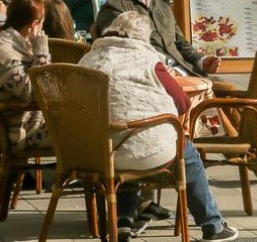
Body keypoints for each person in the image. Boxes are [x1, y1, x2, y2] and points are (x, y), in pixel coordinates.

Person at [95, 0, 257, 176]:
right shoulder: (114, 8)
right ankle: (254, 154)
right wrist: (156, 65)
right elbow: (120, 50)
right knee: (214, 96)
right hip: (158, 79)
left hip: (187, 73)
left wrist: (202, 60)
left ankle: (256, 148)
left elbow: (181, 44)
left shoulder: (161, 6)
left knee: (228, 90)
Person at [79, 12, 238, 242]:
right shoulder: (148, 61)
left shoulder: (88, 60)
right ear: (143, 37)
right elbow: (182, 102)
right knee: (182, 150)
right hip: (143, 152)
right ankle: (212, 225)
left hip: (97, 153)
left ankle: (124, 221)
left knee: (126, 140)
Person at [0, 0, 51, 149]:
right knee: (86, 130)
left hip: (33, 120)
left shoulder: (10, 42)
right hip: (24, 130)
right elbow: (34, 93)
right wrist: (41, 53)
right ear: (34, 24)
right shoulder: (4, 53)